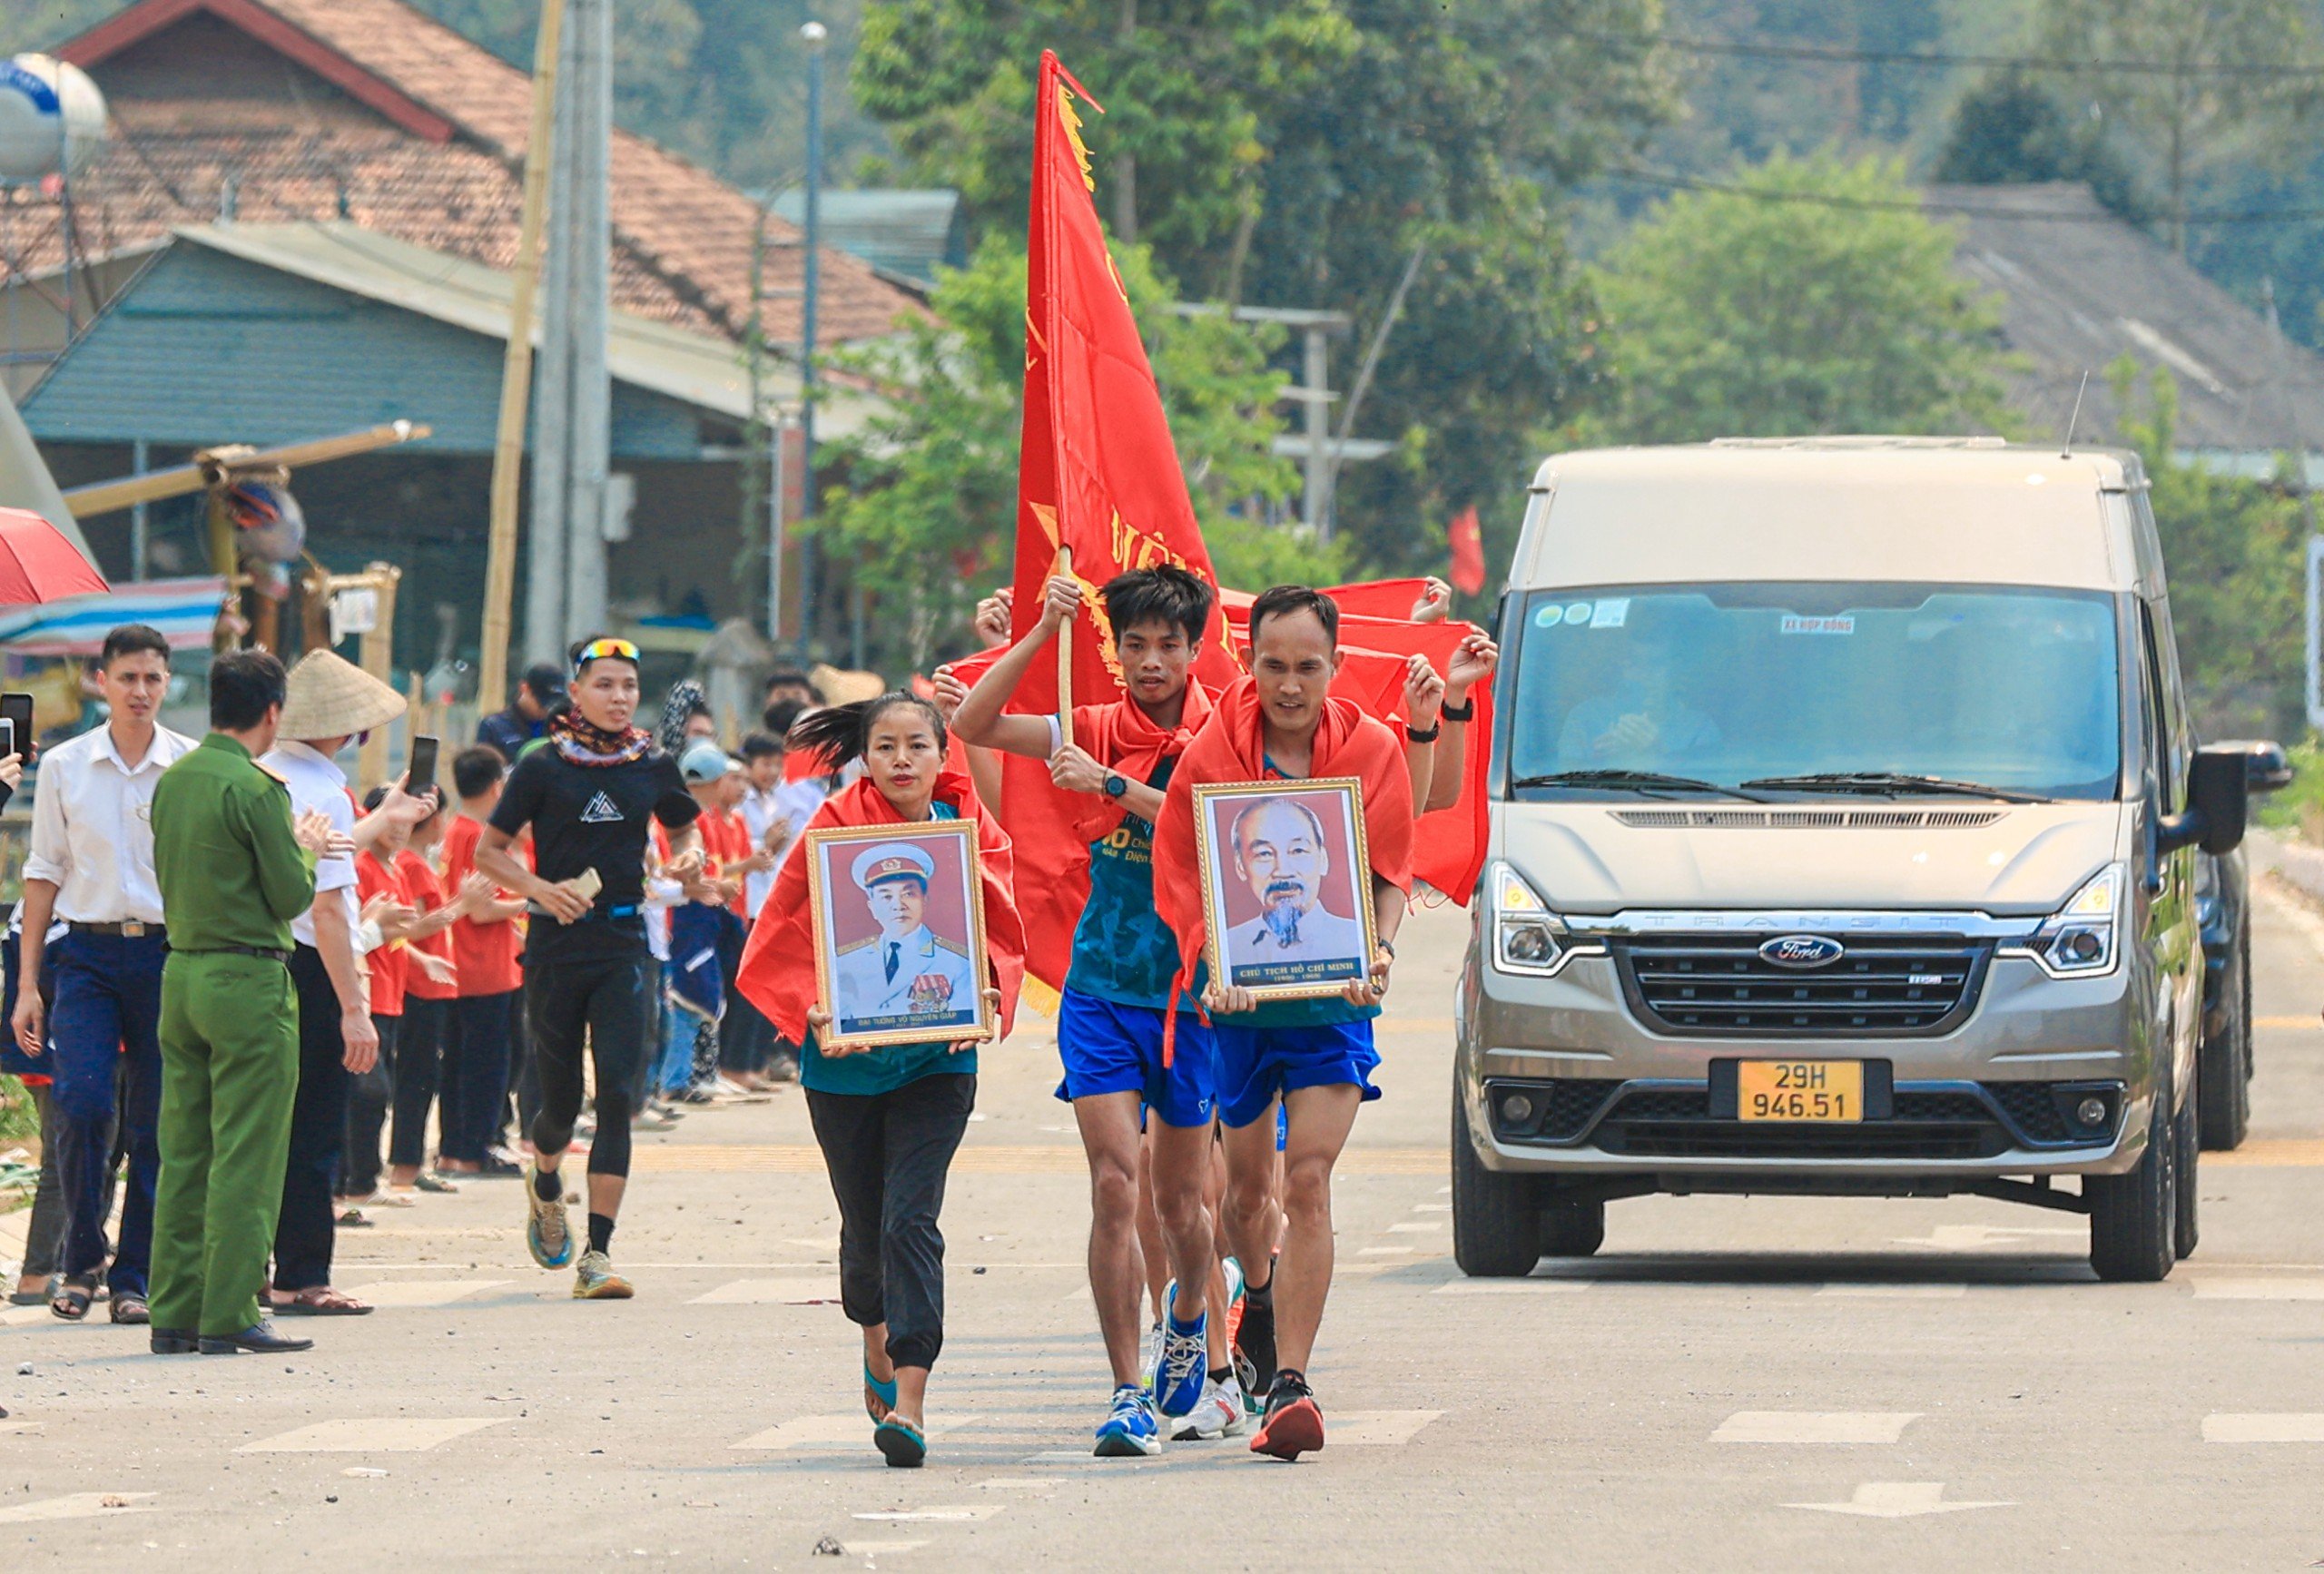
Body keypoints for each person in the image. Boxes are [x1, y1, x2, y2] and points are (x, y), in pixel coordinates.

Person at [950, 564, 1235, 1453]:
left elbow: (1213, 824)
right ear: (1115, 650)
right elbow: (973, 724)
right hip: (1100, 987)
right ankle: (1126, 1392)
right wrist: (1038, 633)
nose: (1152, 661)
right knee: (1117, 1185)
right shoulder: (1093, 722)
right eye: (1136, 645)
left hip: (1190, 994)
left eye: (1168, 645)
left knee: (1183, 1204)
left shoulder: (1227, 732)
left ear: (1195, 649)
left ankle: (1189, 1327)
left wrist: (1110, 786)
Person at [1154, 585, 1413, 1461]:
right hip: (1238, 1011)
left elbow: (1389, 872)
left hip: (1332, 1008)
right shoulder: (1212, 754)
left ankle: (1293, 1382)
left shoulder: (1372, 751)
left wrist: (1377, 947)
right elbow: (1183, 875)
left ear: (1335, 668)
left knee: (1308, 1182)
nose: (1289, 684)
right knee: (1245, 1195)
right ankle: (1255, 1295)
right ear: (1248, 660)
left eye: (1308, 667)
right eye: (1272, 665)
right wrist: (1206, 963)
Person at [735, 694, 1025, 1469]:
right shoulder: (830, 830)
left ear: (941, 755)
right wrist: (814, 1011)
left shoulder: (967, 835)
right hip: (843, 1071)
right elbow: (783, 929)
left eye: (917, 746)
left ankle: (912, 1400)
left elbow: (1001, 927)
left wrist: (988, 989)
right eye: (886, 746)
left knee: (910, 1220)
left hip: (937, 1062)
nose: (902, 759)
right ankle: (873, 1333)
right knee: (866, 1233)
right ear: (866, 757)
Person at [474, 636, 704, 1300]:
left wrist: (687, 858)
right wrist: (543, 892)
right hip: (553, 946)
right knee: (558, 1106)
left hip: (624, 945)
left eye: (629, 687)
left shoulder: (652, 763)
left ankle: (597, 1256)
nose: (619, 698)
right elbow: (491, 852)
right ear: (575, 694)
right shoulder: (542, 765)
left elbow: (685, 828)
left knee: (618, 1099)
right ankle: (545, 1180)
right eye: (604, 685)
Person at [147, 648, 340, 1354]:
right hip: (248, 978)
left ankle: (172, 1310)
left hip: (182, 972)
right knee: (248, 1153)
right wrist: (309, 847)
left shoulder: (175, 780)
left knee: (185, 1149)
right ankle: (228, 1312)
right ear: (271, 713)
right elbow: (290, 895)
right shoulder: (260, 790)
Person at [12, 625, 192, 1325]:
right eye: (128, 679)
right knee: (83, 1105)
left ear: (166, 682)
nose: (140, 692)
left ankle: (133, 1277)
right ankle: (81, 1256)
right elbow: (41, 875)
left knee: (154, 1126)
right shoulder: (63, 765)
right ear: (101, 682)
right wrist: (27, 986)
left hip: (165, 957)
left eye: (152, 679)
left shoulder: (188, 765)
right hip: (83, 957)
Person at [261, 650, 422, 1320]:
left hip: (259, 960)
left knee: (260, 1124)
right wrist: (355, 1009)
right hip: (313, 965)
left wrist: (379, 821)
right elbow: (327, 905)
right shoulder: (324, 789)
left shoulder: (260, 773)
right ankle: (303, 1274)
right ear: (347, 732)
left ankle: (258, 1265)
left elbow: (319, 856)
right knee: (317, 1123)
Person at [341, 785, 468, 1212]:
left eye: (405, 822)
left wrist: (418, 959)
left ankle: (361, 1181)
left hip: (391, 993)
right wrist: (461, 907)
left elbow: (396, 933)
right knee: (368, 1091)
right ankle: (353, 1182)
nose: (400, 830)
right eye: (390, 821)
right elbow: (352, 932)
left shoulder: (393, 868)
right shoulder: (363, 867)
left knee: (381, 1092)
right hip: (366, 993)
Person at [438, 745, 528, 1178]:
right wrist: (527, 902)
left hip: (462, 965)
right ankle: (476, 1147)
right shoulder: (478, 838)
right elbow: (481, 909)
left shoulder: (455, 830)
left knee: (460, 1061)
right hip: (486, 967)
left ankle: (455, 1147)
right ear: (497, 787)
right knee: (488, 1064)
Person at [389, 790, 464, 1195]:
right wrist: (461, 906)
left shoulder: (414, 863)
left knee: (423, 1076)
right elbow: (413, 927)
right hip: (419, 988)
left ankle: (409, 1161)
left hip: (430, 986)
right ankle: (404, 1164)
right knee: (416, 1077)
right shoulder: (412, 866)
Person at [1220, 798, 1367, 979]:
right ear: (1240, 867)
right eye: (1264, 854)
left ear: (1323, 860)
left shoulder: (1357, 942)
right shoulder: (1227, 948)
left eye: (1298, 851)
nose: (1283, 871)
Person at [477, 663, 566, 762]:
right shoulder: (494, 727)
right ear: (524, 688)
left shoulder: (562, 726)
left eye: (552, 703)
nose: (546, 709)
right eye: (542, 702)